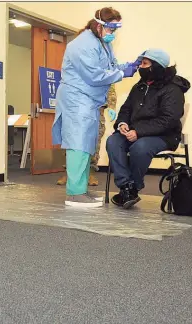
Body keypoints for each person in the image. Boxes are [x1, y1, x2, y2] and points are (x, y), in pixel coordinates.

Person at [52, 7, 140, 208]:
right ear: (99, 25)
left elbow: (110, 67)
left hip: (89, 101)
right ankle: (74, 194)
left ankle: (81, 190)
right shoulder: (82, 45)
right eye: (110, 29)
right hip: (76, 99)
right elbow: (94, 76)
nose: (113, 34)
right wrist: (122, 73)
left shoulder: (102, 42)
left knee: (87, 145)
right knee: (78, 144)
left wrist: (129, 65)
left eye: (115, 29)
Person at [106, 49, 190, 208]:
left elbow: (168, 120)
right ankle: (126, 187)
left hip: (164, 135)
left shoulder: (173, 89)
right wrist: (122, 124)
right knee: (113, 141)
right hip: (134, 131)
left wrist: (138, 132)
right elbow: (126, 109)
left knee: (140, 147)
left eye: (145, 64)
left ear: (156, 67)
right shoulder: (139, 86)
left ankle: (134, 187)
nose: (140, 67)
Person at [56, 84, 117, 186]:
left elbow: (109, 86)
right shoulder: (76, 69)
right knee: (72, 141)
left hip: (96, 109)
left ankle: (90, 173)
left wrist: (111, 106)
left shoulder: (103, 69)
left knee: (94, 142)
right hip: (76, 108)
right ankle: (69, 173)